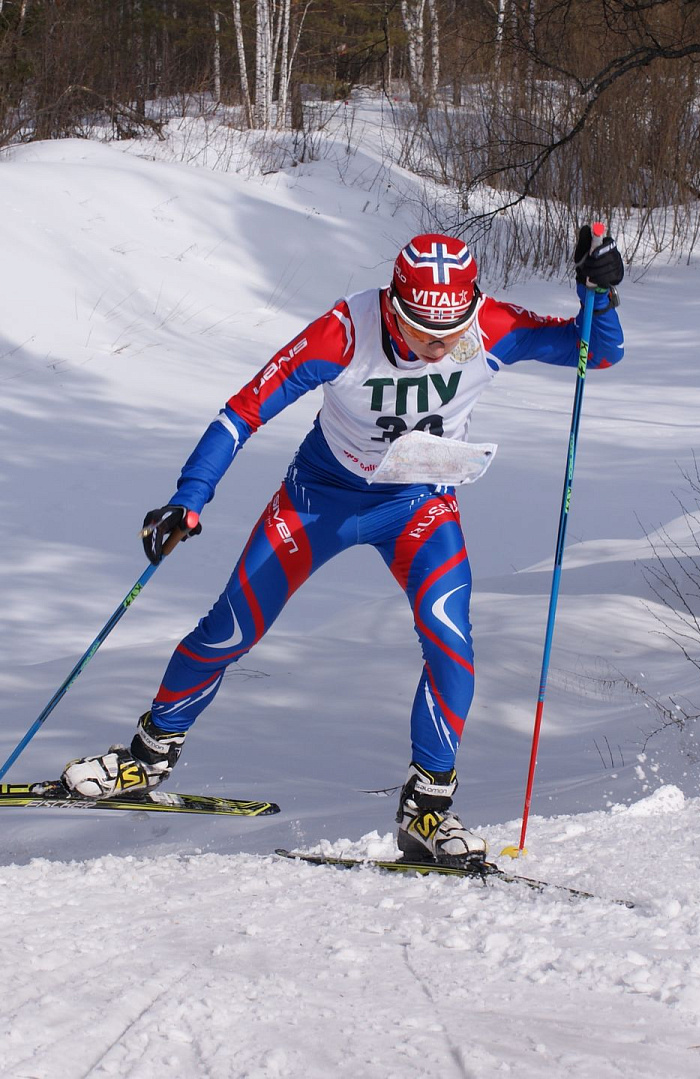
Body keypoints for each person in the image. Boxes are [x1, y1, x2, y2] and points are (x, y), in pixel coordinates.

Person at [62, 229, 626, 865]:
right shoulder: (342, 332)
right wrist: (189, 497)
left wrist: (598, 295)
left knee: (452, 645)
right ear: (393, 307)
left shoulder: (488, 326)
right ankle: (145, 759)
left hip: (417, 505)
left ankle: (428, 810)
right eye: (422, 333)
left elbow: (596, 354)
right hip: (319, 498)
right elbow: (242, 412)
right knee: (228, 631)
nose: (439, 347)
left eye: (451, 333)